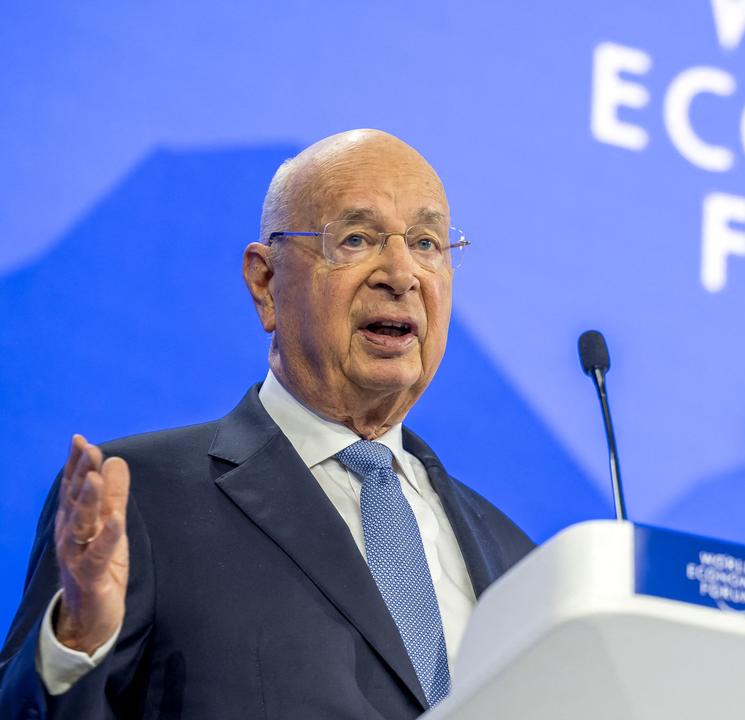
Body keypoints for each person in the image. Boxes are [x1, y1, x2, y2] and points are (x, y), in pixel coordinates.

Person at [0, 129, 535, 719]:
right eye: (356, 239)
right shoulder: (142, 502)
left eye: (428, 243)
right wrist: (76, 643)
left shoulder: (515, 559)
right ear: (265, 283)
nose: (402, 274)